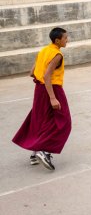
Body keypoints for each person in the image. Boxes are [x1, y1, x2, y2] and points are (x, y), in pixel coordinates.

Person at [12, 28, 72, 171]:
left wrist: (41, 81)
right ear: (57, 40)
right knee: (64, 122)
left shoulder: (44, 50)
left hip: (39, 90)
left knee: (41, 120)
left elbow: (32, 72)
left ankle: (34, 153)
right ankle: (44, 151)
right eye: (65, 38)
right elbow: (47, 76)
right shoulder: (57, 54)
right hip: (52, 89)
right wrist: (52, 98)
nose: (67, 40)